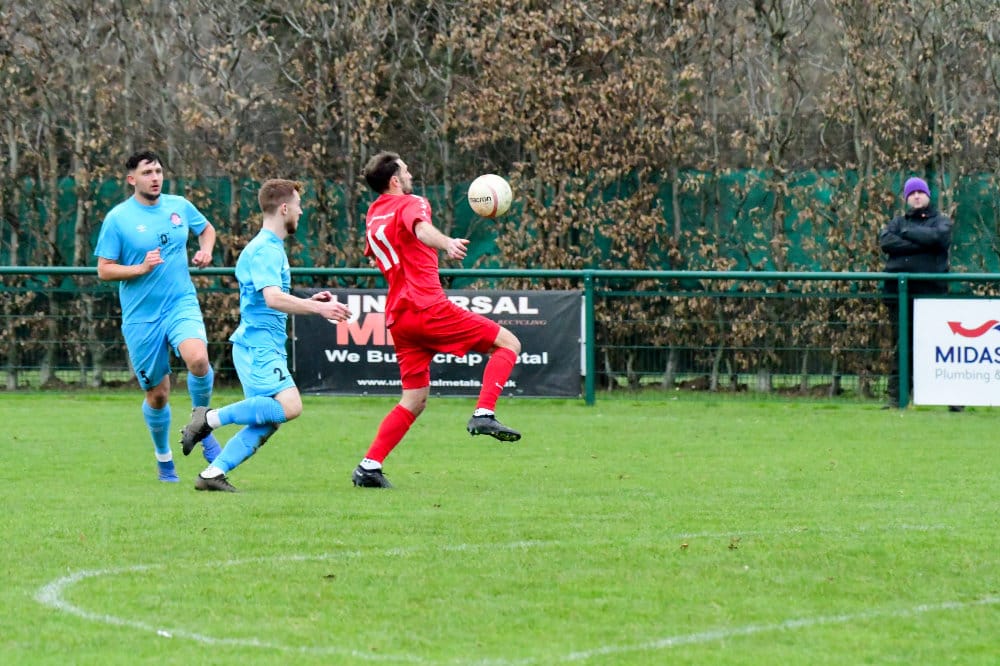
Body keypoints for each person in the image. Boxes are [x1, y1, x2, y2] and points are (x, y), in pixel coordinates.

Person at [351, 151, 523, 489]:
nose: (410, 174)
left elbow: (377, 255)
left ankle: (369, 467)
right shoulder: (411, 202)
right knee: (509, 344)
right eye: (405, 170)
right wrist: (447, 243)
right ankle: (484, 413)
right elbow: (420, 229)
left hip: (399, 318)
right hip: (426, 306)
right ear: (394, 180)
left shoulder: (373, 214)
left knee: (414, 399)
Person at [179, 179, 352, 491]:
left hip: (262, 345)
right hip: (258, 346)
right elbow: (272, 299)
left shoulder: (270, 248)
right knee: (291, 407)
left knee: (268, 420)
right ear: (284, 208)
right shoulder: (265, 250)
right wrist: (319, 309)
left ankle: (212, 474)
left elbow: (270, 299)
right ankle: (209, 419)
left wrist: (311, 302)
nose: (301, 212)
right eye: (298, 205)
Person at [95, 150, 223, 482]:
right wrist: (140, 268)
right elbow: (104, 270)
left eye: (158, 171)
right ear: (131, 179)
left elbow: (207, 229)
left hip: (180, 303)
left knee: (199, 361)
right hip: (142, 316)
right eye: (147, 172)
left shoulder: (179, 206)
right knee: (158, 394)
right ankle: (164, 459)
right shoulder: (118, 218)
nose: (155, 178)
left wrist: (206, 250)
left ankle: (202, 427)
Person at [878, 176, 960, 410]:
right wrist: (922, 242)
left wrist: (905, 233)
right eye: (911, 193)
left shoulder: (940, 221)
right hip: (899, 295)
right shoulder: (897, 222)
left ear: (927, 195)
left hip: (932, 294)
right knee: (902, 345)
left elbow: (939, 238)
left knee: (941, 346)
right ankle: (897, 399)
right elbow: (886, 242)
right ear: (906, 198)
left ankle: (953, 399)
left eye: (920, 192)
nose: (916, 196)